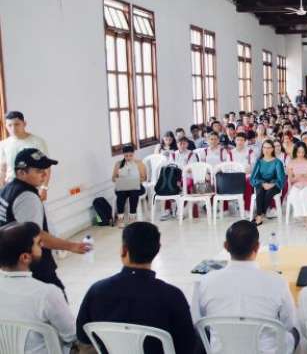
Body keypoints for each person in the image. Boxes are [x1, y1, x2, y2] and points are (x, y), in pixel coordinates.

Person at [76, 222, 196, 354]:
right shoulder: (172, 296)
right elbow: (188, 346)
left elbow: (83, 337)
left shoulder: (96, 292)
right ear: (157, 249)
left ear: (124, 250)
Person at [192, 220, 298, 354]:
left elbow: (197, 322)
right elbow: (288, 324)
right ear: (257, 247)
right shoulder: (277, 282)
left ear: (226, 246)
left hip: (222, 351)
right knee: (295, 331)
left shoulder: (204, 282)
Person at [0, 149, 87, 292]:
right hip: (33, 266)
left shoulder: (7, 189)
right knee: (55, 302)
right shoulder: (27, 197)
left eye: (45, 169)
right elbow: (37, 236)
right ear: (22, 173)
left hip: (12, 265)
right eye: (39, 171)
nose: (45, 175)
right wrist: (72, 246)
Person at [0, 222, 76, 354]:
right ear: (25, 257)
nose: (42, 246)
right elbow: (71, 335)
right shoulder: (47, 293)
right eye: (38, 243)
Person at [0, 112, 50, 198]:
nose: (13, 128)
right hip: (11, 188)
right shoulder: (3, 144)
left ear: (24, 123)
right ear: (6, 126)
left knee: (34, 211)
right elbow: (2, 169)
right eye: (10, 125)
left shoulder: (37, 142)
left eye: (17, 124)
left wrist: (44, 188)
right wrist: (2, 190)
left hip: (32, 188)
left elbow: (46, 167)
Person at [249, 140, 286, 226]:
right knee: (260, 192)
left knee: (268, 193)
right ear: (262, 149)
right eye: (264, 147)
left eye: (269, 148)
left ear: (273, 149)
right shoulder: (259, 161)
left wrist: (271, 184)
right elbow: (253, 177)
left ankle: (259, 216)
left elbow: (281, 178)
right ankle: (260, 215)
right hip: (261, 183)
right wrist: (262, 183)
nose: (266, 150)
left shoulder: (277, 162)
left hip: (275, 184)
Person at [112, 144, 147, 226]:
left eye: (130, 155)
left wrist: (135, 181)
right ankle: (120, 219)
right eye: (126, 156)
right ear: (123, 155)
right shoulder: (118, 164)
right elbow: (113, 178)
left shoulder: (139, 163)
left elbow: (144, 177)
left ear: (133, 154)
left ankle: (132, 217)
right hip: (123, 187)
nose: (128, 158)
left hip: (136, 186)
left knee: (134, 192)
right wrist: (120, 179)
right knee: (120, 194)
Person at [286, 142, 307, 230]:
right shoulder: (291, 163)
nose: (301, 154)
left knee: (304, 194)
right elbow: (291, 180)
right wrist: (297, 177)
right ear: (295, 152)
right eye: (299, 152)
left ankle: (305, 219)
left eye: (303, 152)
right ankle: (306, 218)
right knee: (295, 195)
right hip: (296, 185)